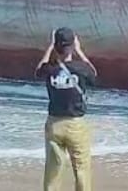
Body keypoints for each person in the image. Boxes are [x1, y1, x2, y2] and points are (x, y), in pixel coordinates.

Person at [35, 27, 98, 191]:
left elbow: (38, 70)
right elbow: (94, 74)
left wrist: (50, 48)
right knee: (82, 168)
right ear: (72, 46)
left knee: (53, 169)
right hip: (75, 124)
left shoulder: (50, 69)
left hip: (54, 124)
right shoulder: (81, 68)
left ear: (56, 46)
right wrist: (80, 51)